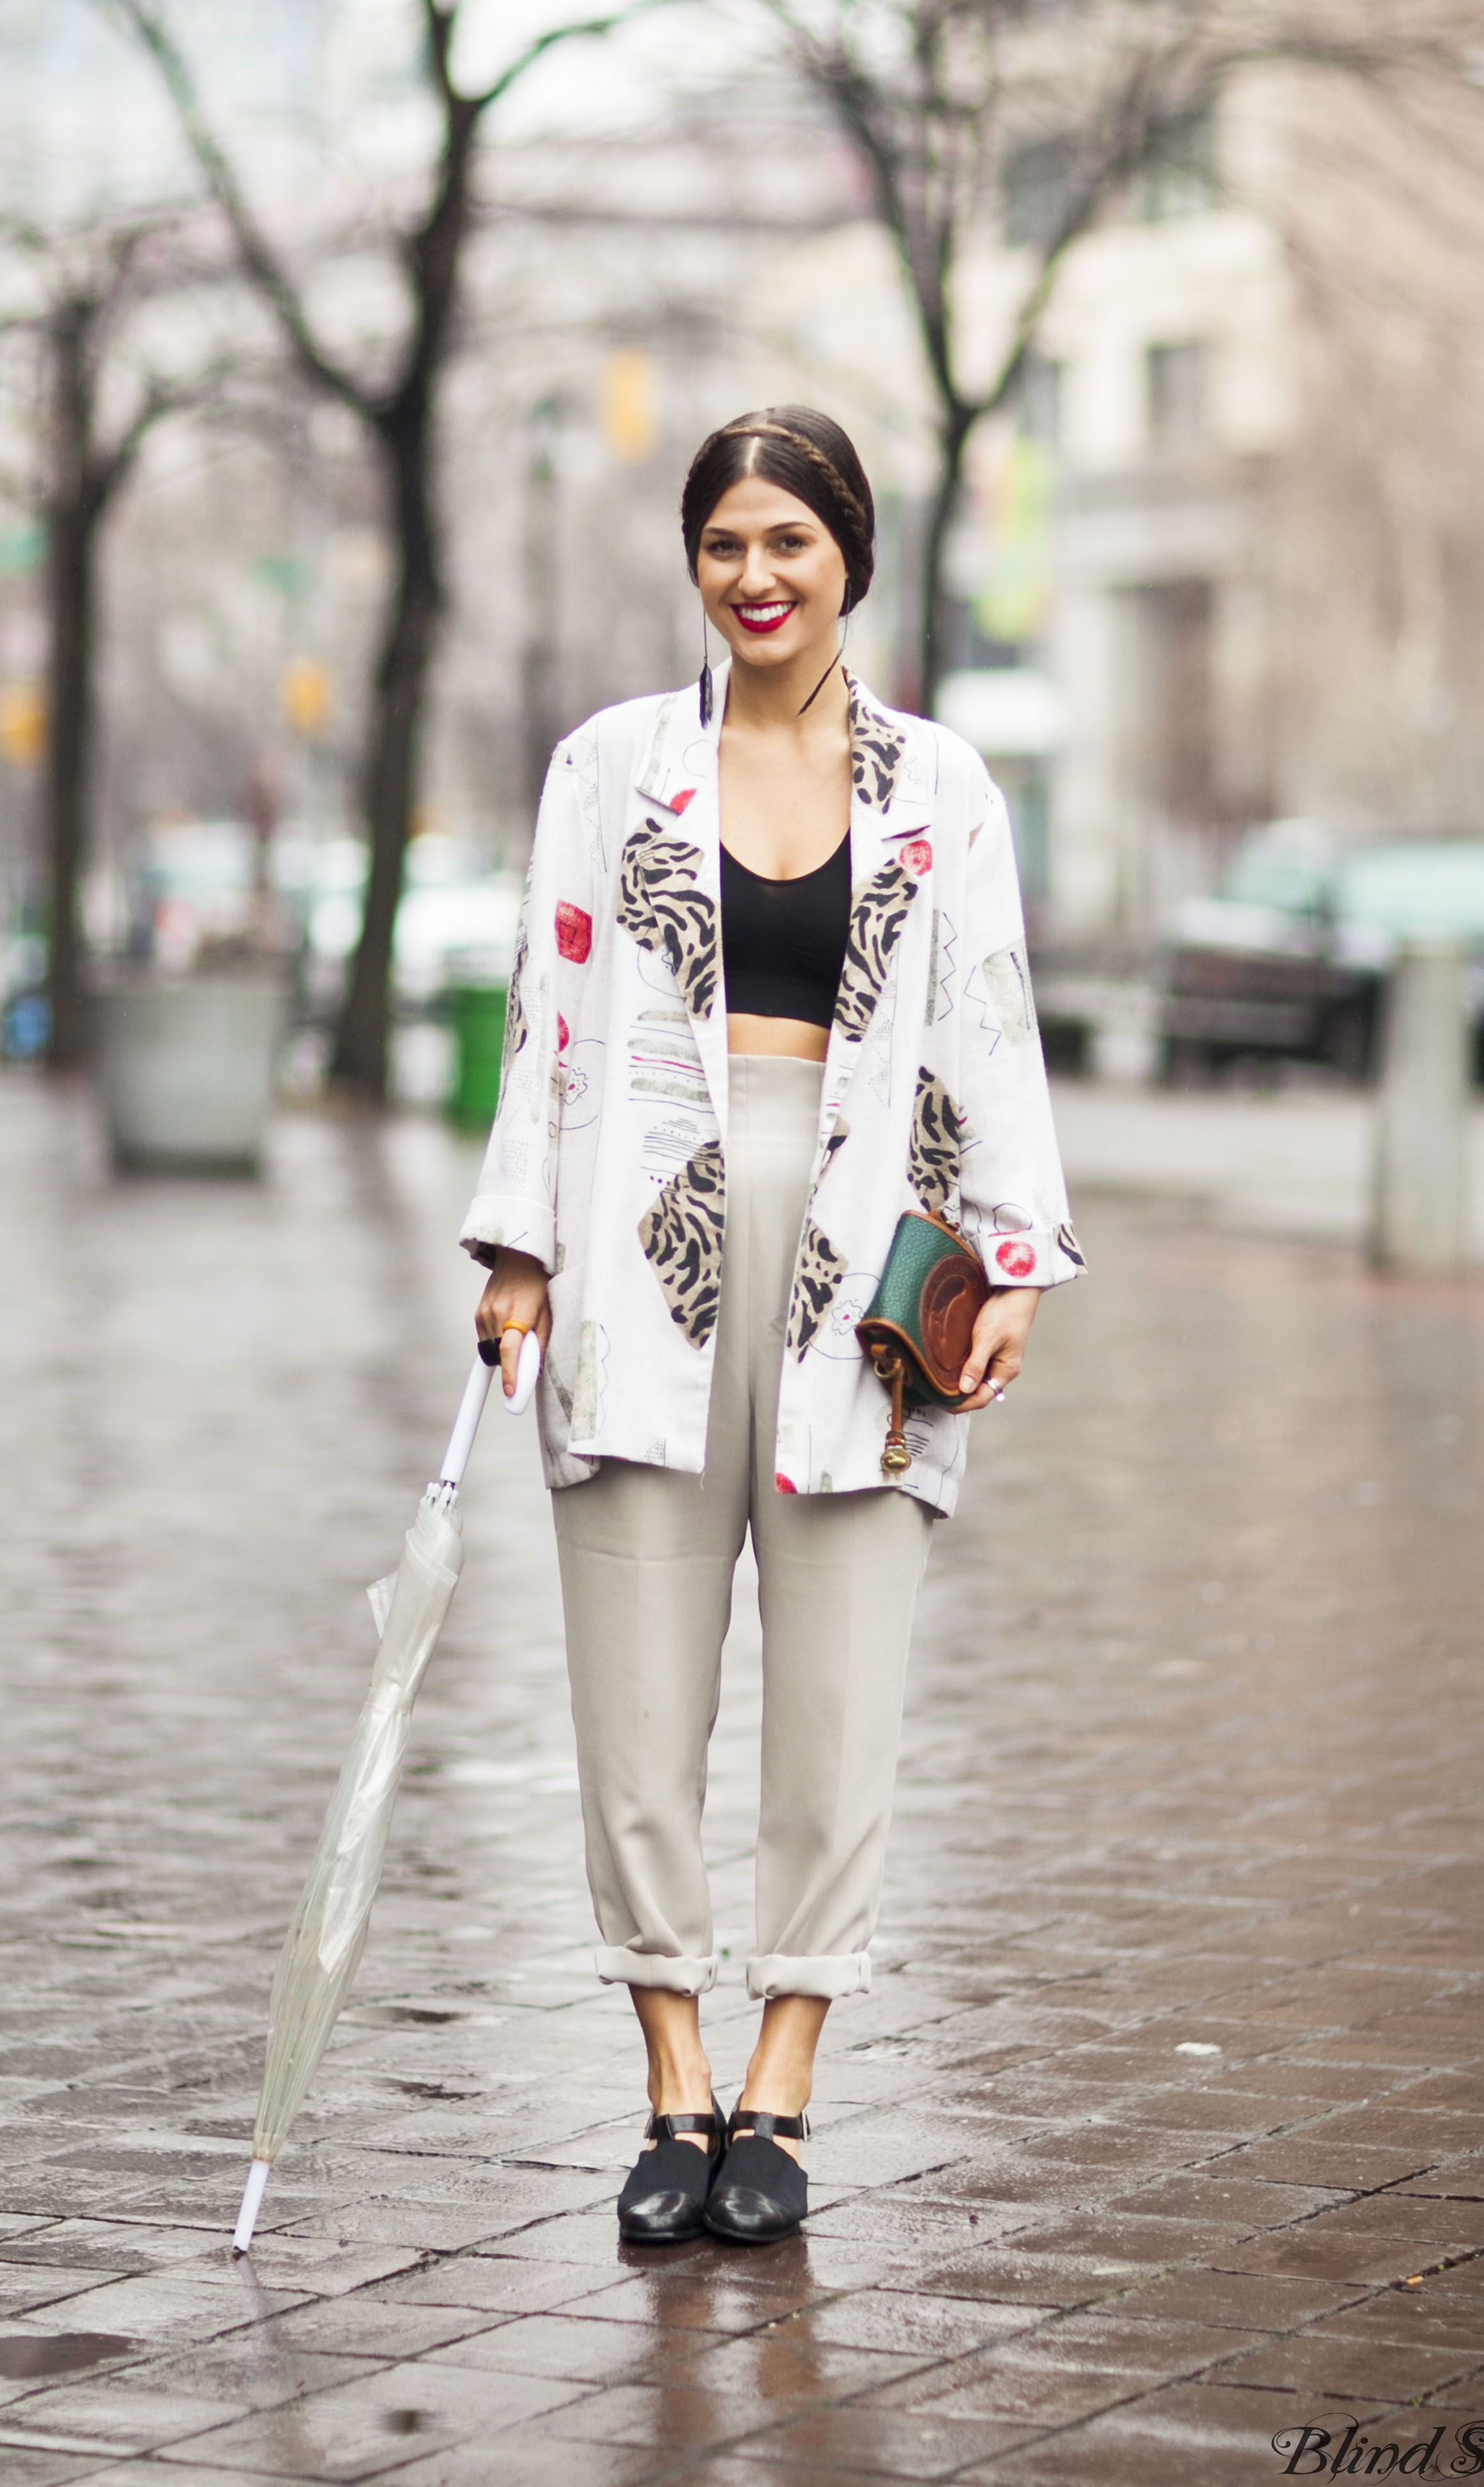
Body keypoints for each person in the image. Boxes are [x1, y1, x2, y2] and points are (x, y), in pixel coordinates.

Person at [461, 405, 1083, 2248]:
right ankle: (670, 2077)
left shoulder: (940, 786)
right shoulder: (609, 768)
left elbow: (990, 1014)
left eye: (789, 544)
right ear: (695, 561)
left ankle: (786, 2082)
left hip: (868, 1246)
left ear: (852, 559)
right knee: (636, 1682)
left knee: (842, 1680)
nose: (755, 577)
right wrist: (517, 1249)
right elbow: (540, 1012)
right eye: (726, 543)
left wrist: (1012, 1256)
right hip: (634, 1234)